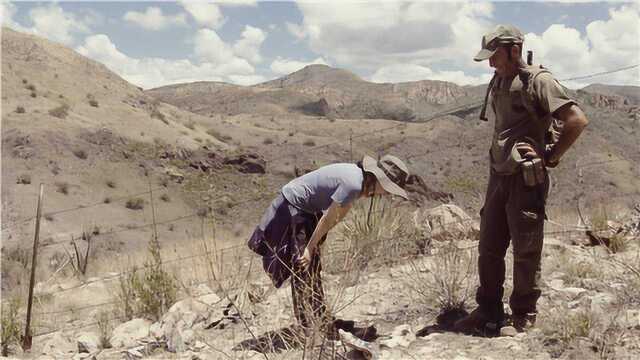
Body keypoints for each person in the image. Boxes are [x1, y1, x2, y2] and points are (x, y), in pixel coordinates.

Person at [453, 24, 589, 335]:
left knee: (526, 248)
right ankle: (487, 309)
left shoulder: (538, 80)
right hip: (498, 174)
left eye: (495, 56)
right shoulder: (500, 79)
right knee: (489, 246)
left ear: (515, 49)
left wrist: (550, 155)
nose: (491, 63)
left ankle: (524, 314)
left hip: (525, 179)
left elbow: (577, 120)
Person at [248, 154, 410, 335]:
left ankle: (321, 321)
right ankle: (309, 328)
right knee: (302, 266)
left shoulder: (357, 181)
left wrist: (315, 244)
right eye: (388, 188)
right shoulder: (353, 184)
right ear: (378, 178)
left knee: (313, 267)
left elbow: (336, 217)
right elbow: (328, 218)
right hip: (293, 208)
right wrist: (309, 248)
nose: (387, 193)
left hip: (307, 210)